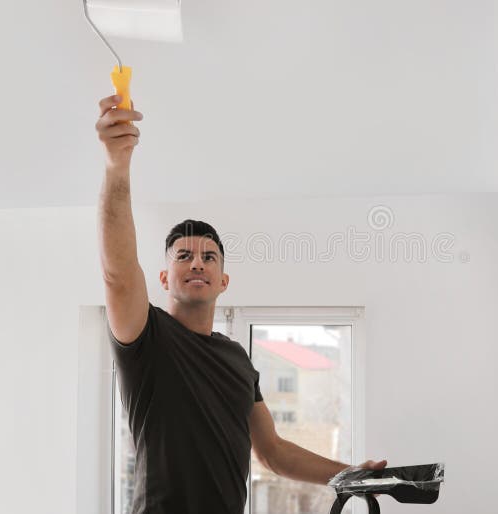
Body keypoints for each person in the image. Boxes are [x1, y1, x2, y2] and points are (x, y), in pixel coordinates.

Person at [95, 94, 387, 514]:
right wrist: (116, 164)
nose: (197, 263)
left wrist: (351, 475)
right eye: (184, 256)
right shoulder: (147, 337)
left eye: (208, 257)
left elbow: (273, 452)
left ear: (223, 280)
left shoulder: (237, 360)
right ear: (164, 278)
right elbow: (118, 275)